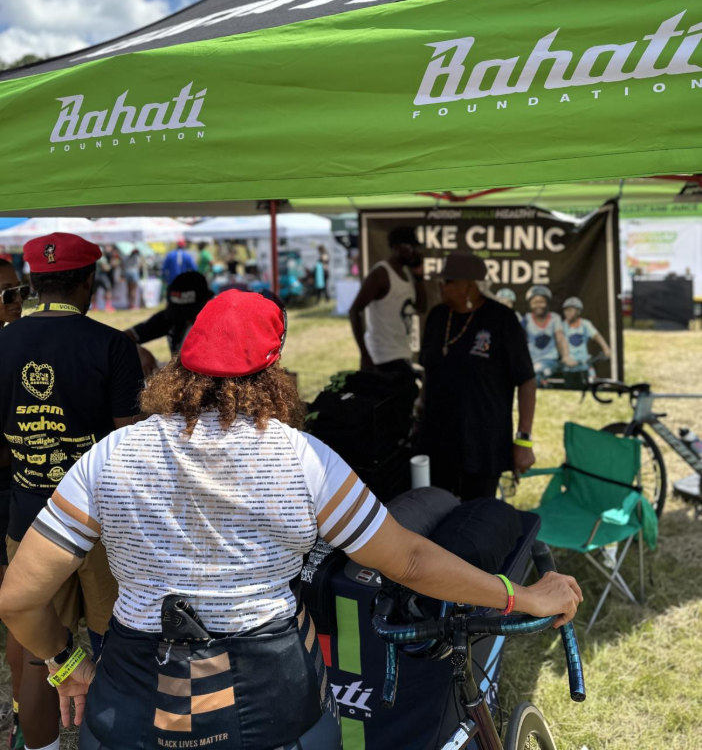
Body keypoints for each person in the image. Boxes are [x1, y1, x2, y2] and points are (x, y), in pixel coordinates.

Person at [0, 289, 582, 750]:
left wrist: (66, 663)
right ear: (272, 371)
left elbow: (20, 599)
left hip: (132, 696)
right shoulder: (302, 459)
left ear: (181, 366)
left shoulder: (111, 455)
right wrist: (522, 596)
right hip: (271, 697)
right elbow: (408, 561)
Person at [0, 233, 144, 750]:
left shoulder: (3, 342)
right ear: (89, 281)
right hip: (105, 525)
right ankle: (111, 739)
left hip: (31, 519)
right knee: (116, 646)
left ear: (33, 283)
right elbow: (129, 441)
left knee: (41, 655)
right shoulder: (112, 344)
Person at [420, 253, 537, 501]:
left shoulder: (501, 319)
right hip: (438, 440)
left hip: (484, 443)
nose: (441, 287)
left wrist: (523, 441)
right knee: (435, 507)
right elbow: (429, 372)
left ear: (470, 286)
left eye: (448, 281)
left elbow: (526, 379)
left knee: (476, 513)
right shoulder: (437, 316)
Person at [0, 259, 30, 749]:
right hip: (7, 487)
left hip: (12, 489)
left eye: (19, 290)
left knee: (18, 615)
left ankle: (21, 713)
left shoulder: (17, 346)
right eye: (7, 294)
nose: (17, 301)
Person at [349, 226, 426, 373]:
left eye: (416, 247)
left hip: (402, 352)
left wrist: (419, 277)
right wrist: (365, 354)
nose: (414, 252)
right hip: (382, 357)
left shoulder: (407, 273)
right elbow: (354, 311)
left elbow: (421, 308)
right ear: (396, 247)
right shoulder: (381, 274)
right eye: (410, 247)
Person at [125, 271, 213, 375]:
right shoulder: (170, 318)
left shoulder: (216, 324)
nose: (184, 318)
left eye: (189, 313)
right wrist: (138, 351)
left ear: (206, 301)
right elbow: (123, 337)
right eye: (178, 312)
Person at [521, 285, 576, 379]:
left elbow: (560, 339)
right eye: (535, 302)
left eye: (541, 302)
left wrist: (566, 356)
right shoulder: (526, 319)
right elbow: (517, 339)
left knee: (536, 372)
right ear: (530, 304)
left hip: (549, 360)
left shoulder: (555, 318)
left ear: (547, 302)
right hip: (530, 361)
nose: (538, 305)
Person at [561, 296, 611, 367]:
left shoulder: (585, 324)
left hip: (585, 361)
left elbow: (596, 336)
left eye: (570, 310)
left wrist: (606, 349)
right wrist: (565, 357)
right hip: (569, 362)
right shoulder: (562, 325)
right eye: (566, 310)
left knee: (591, 372)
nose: (567, 313)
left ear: (578, 311)